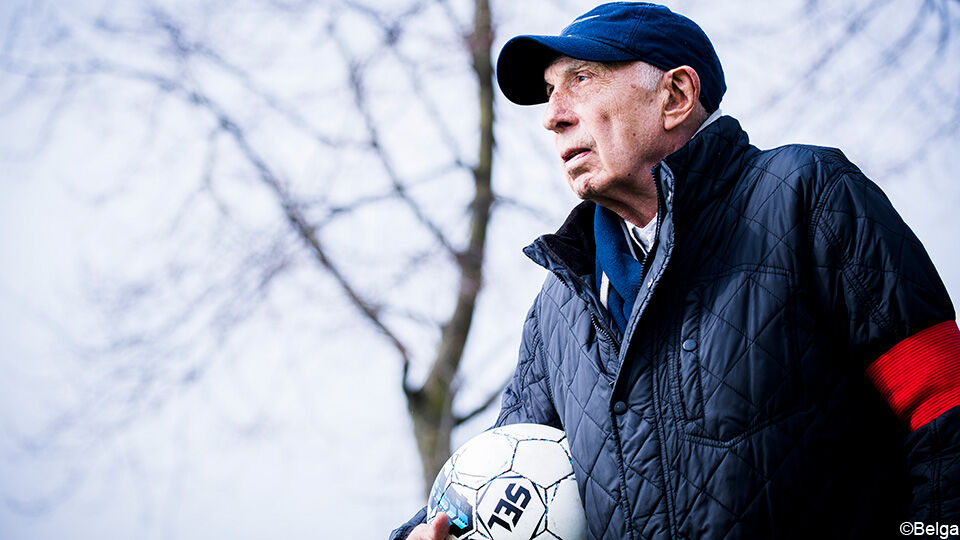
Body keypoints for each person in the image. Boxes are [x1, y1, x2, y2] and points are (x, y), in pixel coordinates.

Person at [391, 3, 960, 538]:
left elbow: (944, 408)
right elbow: (493, 476)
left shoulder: (805, 196)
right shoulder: (559, 308)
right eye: (548, 91)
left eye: (581, 79)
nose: (553, 117)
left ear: (676, 95)